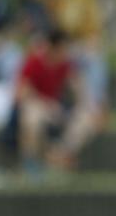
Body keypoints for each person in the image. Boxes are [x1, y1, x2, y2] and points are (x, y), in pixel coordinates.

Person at [37, 0, 109, 112]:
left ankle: (94, 107)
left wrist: (79, 48)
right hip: (50, 51)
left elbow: (96, 35)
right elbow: (37, 34)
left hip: (76, 51)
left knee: (95, 59)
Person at [14, 29, 99, 174]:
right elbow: (21, 94)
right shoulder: (34, 61)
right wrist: (46, 105)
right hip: (38, 107)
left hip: (57, 110)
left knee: (87, 120)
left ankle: (58, 154)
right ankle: (31, 163)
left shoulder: (65, 64)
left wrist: (86, 105)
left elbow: (77, 87)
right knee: (32, 117)